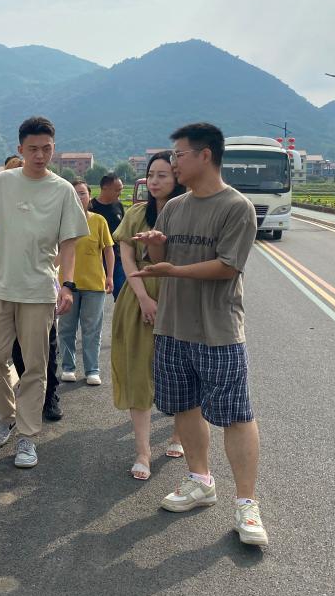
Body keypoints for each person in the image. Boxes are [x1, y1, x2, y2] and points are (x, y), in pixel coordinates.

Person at [132, 122, 266, 546]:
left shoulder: (236, 207)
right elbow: (161, 255)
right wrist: (156, 243)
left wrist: (172, 270)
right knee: (184, 407)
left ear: (205, 155)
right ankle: (200, 481)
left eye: (179, 155)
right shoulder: (174, 206)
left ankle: (247, 505)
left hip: (218, 331)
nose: (173, 163)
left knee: (237, 415)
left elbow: (227, 267)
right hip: (173, 328)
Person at [0, 116, 89, 469]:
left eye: (46, 149)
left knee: (35, 365)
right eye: (32, 149)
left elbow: (69, 244)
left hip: (38, 290)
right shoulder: (3, 183)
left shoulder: (63, 191)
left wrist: (68, 284)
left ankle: (27, 435)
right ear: (20, 149)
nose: (39, 155)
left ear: (53, 148)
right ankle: (6, 415)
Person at [110, 151, 185, 480]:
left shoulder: (188, 213)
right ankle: (143, 452)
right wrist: (142, 297)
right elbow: (127, 257)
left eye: (162, 175)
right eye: (151, 174)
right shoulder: (137, 213)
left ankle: (179, 434)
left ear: (178, 178)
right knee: (138, 371)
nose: (154, 181)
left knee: (179, 371)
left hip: (178, 296)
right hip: (138, 296)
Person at [58, 180, 114, 386]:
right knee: (66, 328)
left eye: (82, 193)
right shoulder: (61, 220)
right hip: (67, 285)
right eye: (74, 193)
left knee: (91, 330)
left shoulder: (99, 221)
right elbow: (55, 251)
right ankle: (68, 367)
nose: (79, 197)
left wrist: (109, 276)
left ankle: (92, 370)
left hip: (94, 285)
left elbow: (108, 250)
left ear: (89, 196)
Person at [89, 174, 127, 298]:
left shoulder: (118, 205)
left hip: (117, 256)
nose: (120, 193)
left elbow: (124, 229)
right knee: (95, 295)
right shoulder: (91, 207)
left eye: (121, 189)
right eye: (117, 190)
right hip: (95, 258)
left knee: (122, 293)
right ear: (105, 188)